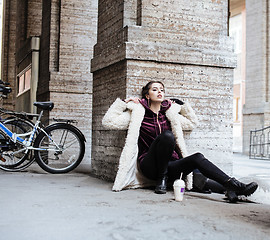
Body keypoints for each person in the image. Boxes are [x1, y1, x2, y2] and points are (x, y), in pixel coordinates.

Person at [102, 81, 258, 203]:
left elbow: (192, 123)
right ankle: (161, 179)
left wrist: (181, 105)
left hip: (171, 166)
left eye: (162, 90)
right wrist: (124, 102)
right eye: (155, 89)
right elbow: (108, 122)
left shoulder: (169, 115)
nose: (160, 92)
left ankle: (233, 185)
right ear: (147, 95)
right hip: (149, 166)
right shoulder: (138, 113)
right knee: (167, 136)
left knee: (197, 158)